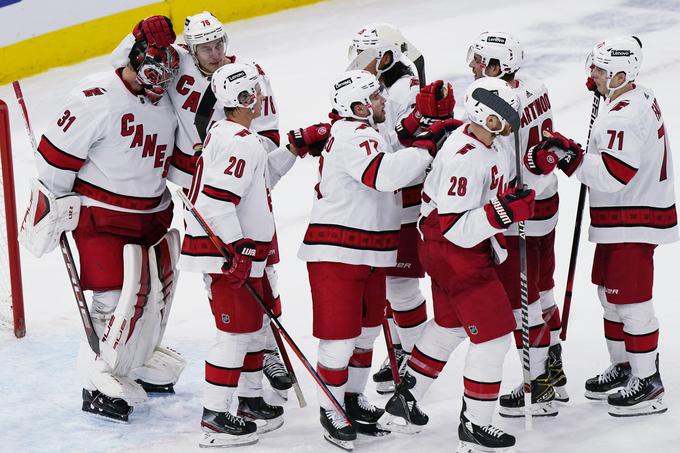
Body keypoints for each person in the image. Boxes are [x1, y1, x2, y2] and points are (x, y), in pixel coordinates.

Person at [111, 11, 296, 400]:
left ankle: (268, 349)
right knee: (219, 274)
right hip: (196, 189)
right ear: (190, 49)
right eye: (205, 48)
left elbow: (269, 134)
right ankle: (239, 343)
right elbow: (121, 64)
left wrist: (232, 161)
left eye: (219, 44)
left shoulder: (250, 73)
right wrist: (141, 36)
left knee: (266, 270)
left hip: (245, 185)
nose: (214, 53)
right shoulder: (174, 63)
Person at [20, 17, 184, 422]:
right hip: (103, 218)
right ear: (136, 58)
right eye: (152, 70)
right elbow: (54, 160)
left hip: (154, 215)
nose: (159, 81)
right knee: (114, 300)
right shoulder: (96, 96)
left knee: (152, 298)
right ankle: (97, 384)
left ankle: (138, 362)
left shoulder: (164, 97)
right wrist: (51, 207)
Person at [379, 77, 534, 453]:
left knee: (449, 325)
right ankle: (475, 425)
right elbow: (453, 228)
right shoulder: (463, 158)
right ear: (482, 114)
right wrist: (502, 213)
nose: (510, 124)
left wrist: (511, 197)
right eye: (502, 117)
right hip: (453, 249)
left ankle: (403, 404)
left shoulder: (490, 143)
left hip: (454, 247)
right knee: (494, 336)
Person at [527, 35, 677, 417]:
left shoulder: (623, 115)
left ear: (622, 73)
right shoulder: (632, 97)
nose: (590, 74)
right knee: (610, 297)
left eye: (599, 69)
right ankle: (626, 366)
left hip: (632, 219)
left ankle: (649, 383)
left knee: (631, 302)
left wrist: (568, 158)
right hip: (622, 217)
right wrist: (576, 153)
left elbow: (613, 173)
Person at [178, 63, 324, 447]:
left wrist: (294, 147)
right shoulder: (239, 142)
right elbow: (214, 203)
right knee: (234, 335)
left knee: (255, 329)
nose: (259, 98)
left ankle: (249, 400)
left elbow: (262, 179)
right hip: (227, 255)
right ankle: (214, 417)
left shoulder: (235, 135)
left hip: (240, 252)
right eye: (252, 93)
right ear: (241, 99)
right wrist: (237, 250)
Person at [297, 69, 435, 450]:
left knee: (367, 333)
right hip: (338, 254)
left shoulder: (362, 132)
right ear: (357, 107)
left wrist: (423, 132)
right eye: (374, 97)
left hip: (369, 251)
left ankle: (352, 398)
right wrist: (426, 147)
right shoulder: (353, 136)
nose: (381, 102)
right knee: (340, 340)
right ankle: (332, 406)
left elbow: (391, 148)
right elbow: (383, 175)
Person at [348, 23, 455, 394]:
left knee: (401, 287)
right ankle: (400, 353)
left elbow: (411, 147)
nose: (358, 64)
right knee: (393, 288)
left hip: (408, 202)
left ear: (388, 56)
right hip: (392, 199)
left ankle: (413, 361)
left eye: (367, 56)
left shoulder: (406, 90)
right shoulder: (384, 88)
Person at [467, 31, 564, 417]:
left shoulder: (495, 100)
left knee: (524, 305)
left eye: (479, 60)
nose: (472, 65)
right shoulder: (534, 84)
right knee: (543, 292)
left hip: (522, 211)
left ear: (497, 67)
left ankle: (537, 389)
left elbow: (493, 150)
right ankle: (552, 375)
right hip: (547, 199)